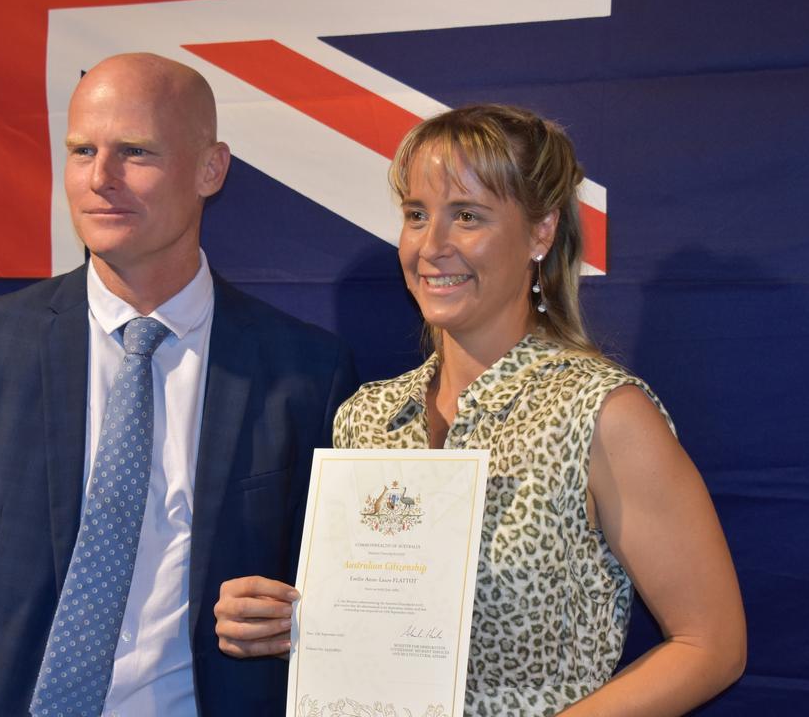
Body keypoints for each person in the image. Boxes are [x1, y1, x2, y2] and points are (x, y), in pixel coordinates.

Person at [214, 104, 746, 715]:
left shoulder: (600, 413)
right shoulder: (366, 417)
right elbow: (380, 636)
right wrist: (286, 625)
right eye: (417, 215)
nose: (432, 246)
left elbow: (713, 644)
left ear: (541, 233)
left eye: (467, 216)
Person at [0, 53, 357, 716]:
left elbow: (338, 595)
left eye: (135, 152)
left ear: (209, 169)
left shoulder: (306, 372)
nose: (101, 179)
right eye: (82, 151)